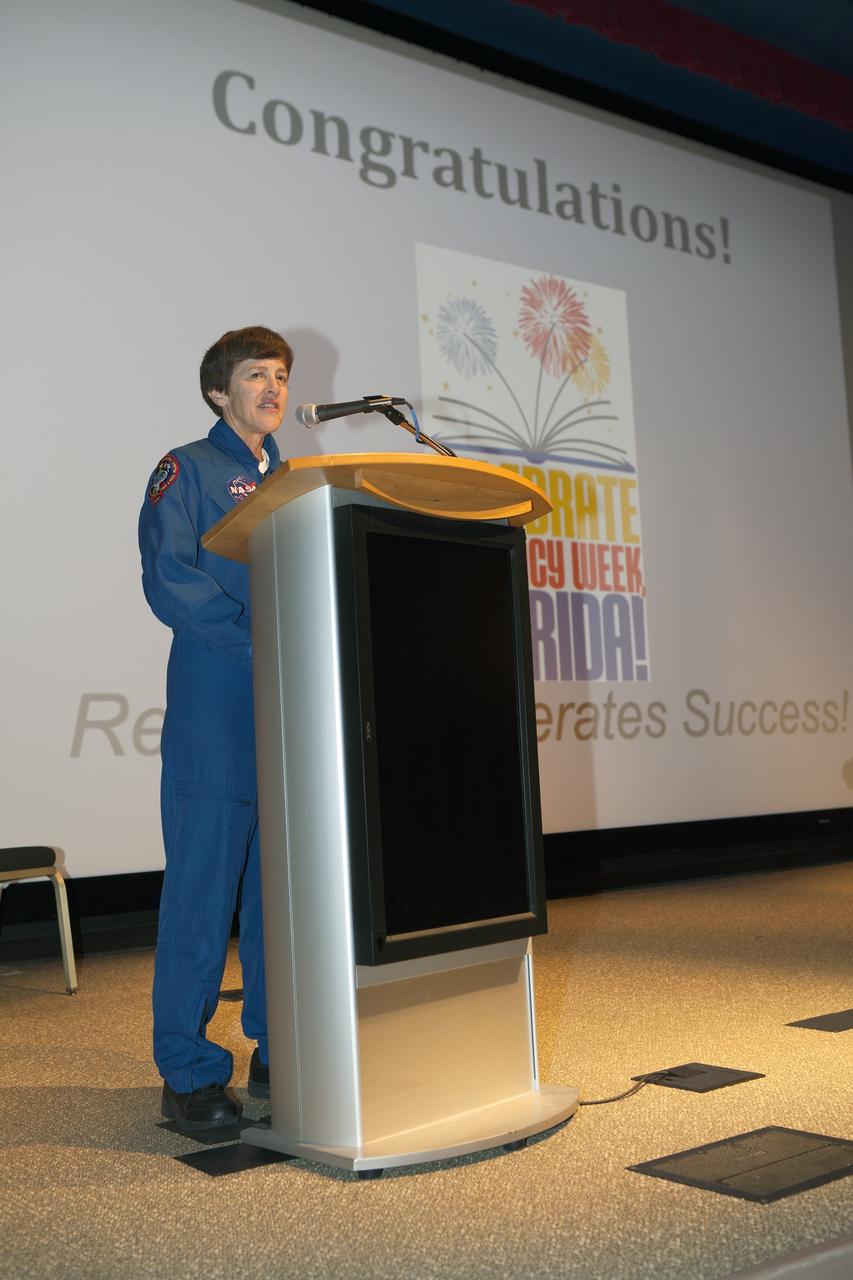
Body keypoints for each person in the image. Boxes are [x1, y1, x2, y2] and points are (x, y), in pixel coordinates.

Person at [138, 325, 293, 1129]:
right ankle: (190, 1072)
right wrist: (257, 643)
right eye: (255, 375)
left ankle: (281, 1048)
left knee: (282, 894)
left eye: (280, 376)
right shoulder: (187, 470)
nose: (272, 388)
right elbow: (171, 579)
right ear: (217, 392)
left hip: (290, 707)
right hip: (218, 702)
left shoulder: (299, 481)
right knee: (202, 892)